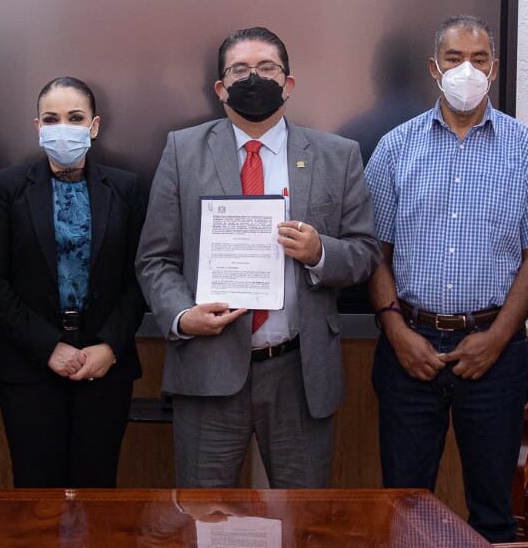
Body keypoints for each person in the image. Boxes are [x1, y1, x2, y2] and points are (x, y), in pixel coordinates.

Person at [137, 26, 379, 488]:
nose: (254, 79)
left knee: (303, 517)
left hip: (299, 371)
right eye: (240, 70)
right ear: (220, 88)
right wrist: (182, 316)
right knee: (205, 516)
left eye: (267, 68)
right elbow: (156, 258)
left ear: (289, 83)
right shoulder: (182, 151)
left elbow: (366, 253)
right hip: (207, 366)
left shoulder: (338, 155)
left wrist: (320, 253)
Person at [364, 14, 528, 542]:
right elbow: (373, 252)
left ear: (494, 69)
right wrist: (396, 332)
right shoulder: (394, 148)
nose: (466, 70)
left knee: (494, 513)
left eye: (478, 59)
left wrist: (495, 339)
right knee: (404, 507)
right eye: (454, 59)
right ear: (434, 68)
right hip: (409, 346)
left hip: (496, 350)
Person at [0, 76, 146, 488]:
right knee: (36, 491)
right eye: (52, 119)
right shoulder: (6, 187)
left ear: (94, 126)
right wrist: (48, 347)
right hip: (28, 364)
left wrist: (109, 346)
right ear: (38, 127)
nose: (63, 128)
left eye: (75, 118)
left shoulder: (126, 188)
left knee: (97, 487)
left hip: (105, 366)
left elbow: (141, 275)